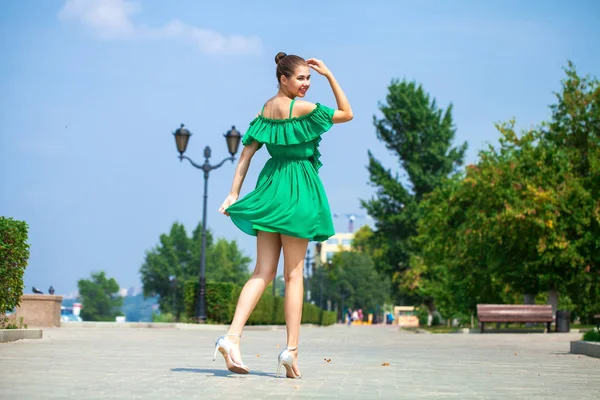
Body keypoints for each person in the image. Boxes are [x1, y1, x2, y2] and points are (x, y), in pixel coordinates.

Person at [213, 52, 353, 379]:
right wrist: (331, 75)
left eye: (310, 79)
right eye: (301, 78)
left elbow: (246, 154)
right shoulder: (302, 109)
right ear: (283, 79)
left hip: (270, 185)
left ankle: (231, 338)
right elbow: (347, 113)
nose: (306, 84)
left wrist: (234, 192)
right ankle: (291, 351)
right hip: (298, 189)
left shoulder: (266, 110)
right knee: (293, 275)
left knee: (262, 271)